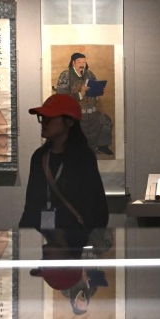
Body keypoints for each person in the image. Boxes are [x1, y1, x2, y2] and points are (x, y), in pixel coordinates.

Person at [19, 93, 109, 235]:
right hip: (43, 240)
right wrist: (24, 238)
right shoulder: (39, 157)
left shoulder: (83, 157)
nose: (43, 123)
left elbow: (97, 210)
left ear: (69, 121)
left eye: (48, 118)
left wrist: (71, 239)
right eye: (42, 118)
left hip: (75, 242)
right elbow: (31, 207)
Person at [55, 52, 113, 156]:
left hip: (92, 114)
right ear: (73, 63)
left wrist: (98, 90)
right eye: (79, 62)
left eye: (84, 62)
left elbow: (95, 93)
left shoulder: (89, 74)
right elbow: (61, 98)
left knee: (106, 121)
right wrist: (80, 94)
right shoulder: (66, 75)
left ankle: (101, 146)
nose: (82, 65)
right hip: (74, 116)